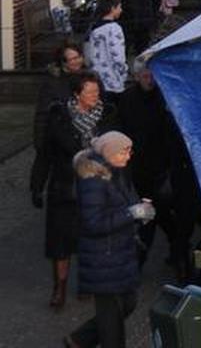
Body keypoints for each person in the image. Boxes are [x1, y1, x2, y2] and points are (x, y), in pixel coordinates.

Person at [66, 130, 153, 348]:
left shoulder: (117, 171)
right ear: (109, 152)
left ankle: (79, 340)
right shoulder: (92, 180)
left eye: (129, 151)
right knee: (112, 325)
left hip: (117, 255)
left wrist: (140, 208)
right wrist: (131, 214)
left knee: (127, 303)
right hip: (103, 258)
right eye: (124, 152)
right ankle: (80, 340)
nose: (129, 156)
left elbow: (124, 203)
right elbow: (94, 223)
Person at [43, 73, 114, 309]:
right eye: (90, 92)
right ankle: (59, 287)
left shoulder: (107, 114)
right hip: (65, 186)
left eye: (97, 92)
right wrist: (37, 184)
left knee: (90, 238)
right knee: (60, 240)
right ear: (77, 94)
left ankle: (87, 283)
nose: (95, 96)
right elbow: (47, 151)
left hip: (94, 187)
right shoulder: (60, 115)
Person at [118, 61, 192, 281]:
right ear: (138, 76)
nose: (149, 79)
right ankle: (178, 261)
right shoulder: (128, 99)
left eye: (152, 76)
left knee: (159, 218)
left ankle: (174, 261)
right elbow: (122, 127)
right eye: (145, 75)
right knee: (153, 218)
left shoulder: (165, 99)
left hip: (166, 169)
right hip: (141, 169)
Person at [31, 43, 88, 212]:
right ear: (63, 63)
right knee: (48, 160)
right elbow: (42, 113)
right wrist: (40, 139)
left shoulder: (89, 77)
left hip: (83, 131)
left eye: (78, 57)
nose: (77, 62)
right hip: (60, 133)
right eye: (72, 59)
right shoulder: (52, 83)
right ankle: (38, 190)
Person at [85, 0, 128, 97]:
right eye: (119, 7)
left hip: (97, 77)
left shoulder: (94, 28)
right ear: (112, 8)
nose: (121, 10)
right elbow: (118, 56)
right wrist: (124, 71)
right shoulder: (114, 28)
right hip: (113, 79)